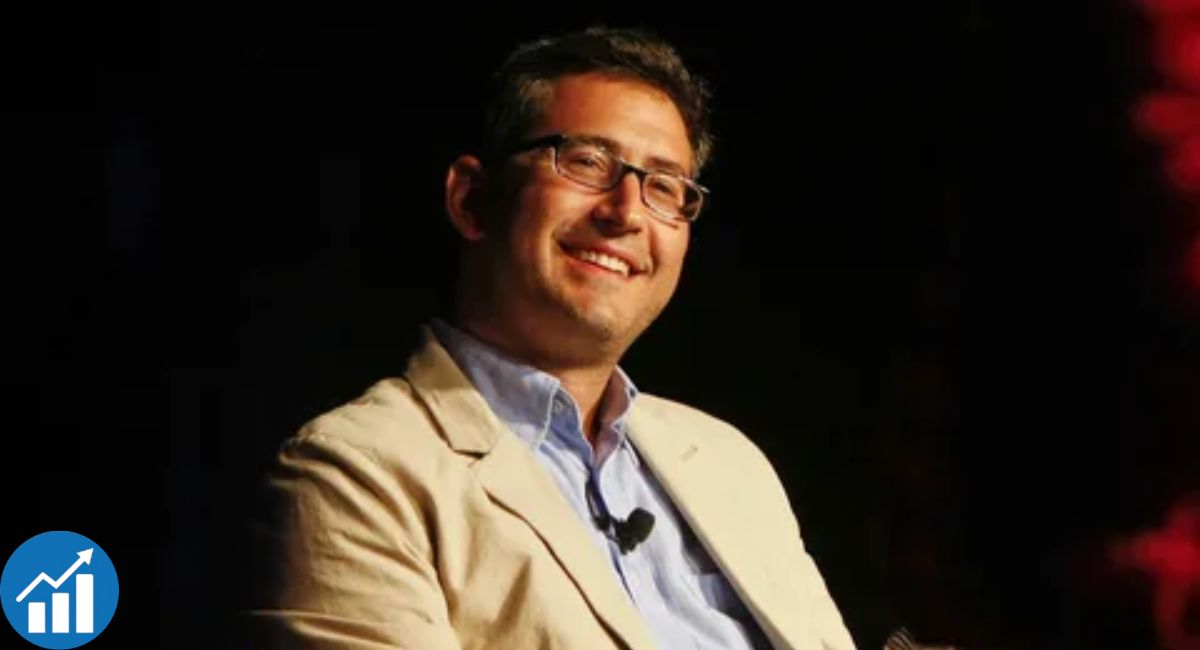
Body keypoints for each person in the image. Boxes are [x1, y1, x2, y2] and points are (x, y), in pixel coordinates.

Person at [247, 25, 857, 650]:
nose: (626, 213)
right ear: (473, 200)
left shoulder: (729, 464)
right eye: (588, 163)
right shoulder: (354, 473)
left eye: (665, 188)